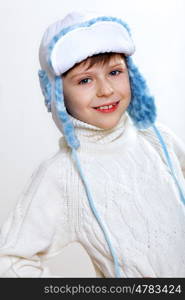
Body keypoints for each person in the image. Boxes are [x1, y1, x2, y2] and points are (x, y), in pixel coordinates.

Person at [0, 9, 185, 278]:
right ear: (58, 93)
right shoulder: (64, 175)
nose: (106, 90)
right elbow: (10, 260)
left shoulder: (156, 138)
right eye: (85, 80)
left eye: (114, 72)